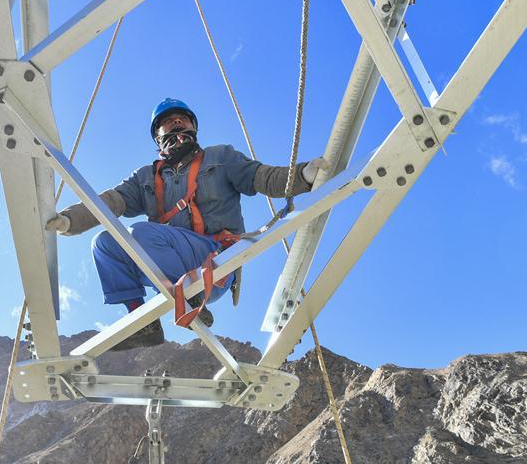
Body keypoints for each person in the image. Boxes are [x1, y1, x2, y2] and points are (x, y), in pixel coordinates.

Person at [46, 98, 326, 349]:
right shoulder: (145, 178)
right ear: (158, 137)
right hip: (165, 261)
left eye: (183, 119)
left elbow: (262, 177)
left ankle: (193, 298)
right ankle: (142, 322)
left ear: (193, 127)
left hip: (214, 261)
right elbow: (111, 202)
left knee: (141, 233)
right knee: (104, 243)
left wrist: (303, 176)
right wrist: (70, 220)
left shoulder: (220, 158)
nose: (177, 123)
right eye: (168, 121)